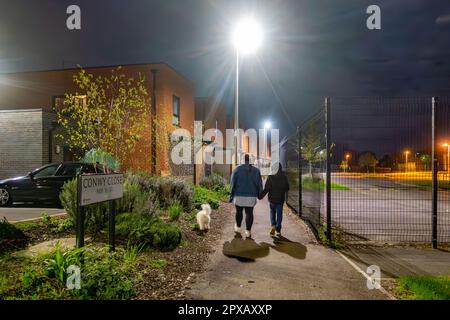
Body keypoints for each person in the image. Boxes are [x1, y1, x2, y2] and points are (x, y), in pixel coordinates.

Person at [229, 154, 263, 238]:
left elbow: (232, 183)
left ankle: (238, 227)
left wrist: (231, 196)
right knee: (249, 213)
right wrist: (259, 194)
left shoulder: (237, 169)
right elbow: (259, 184)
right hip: (251, 196)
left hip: (239, 195)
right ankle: (248, 231)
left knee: (239, 212)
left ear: (242, 160)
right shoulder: (256, 171)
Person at [260, 163, 290, 237]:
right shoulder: (284, 177)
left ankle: (273, 225)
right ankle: (278, 230)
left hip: (272, 199)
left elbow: (266, 188)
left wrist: (260, 196)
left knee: (272, 212)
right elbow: (287, 188)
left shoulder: (270, 177)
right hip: (280, 199)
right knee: (279, 214)